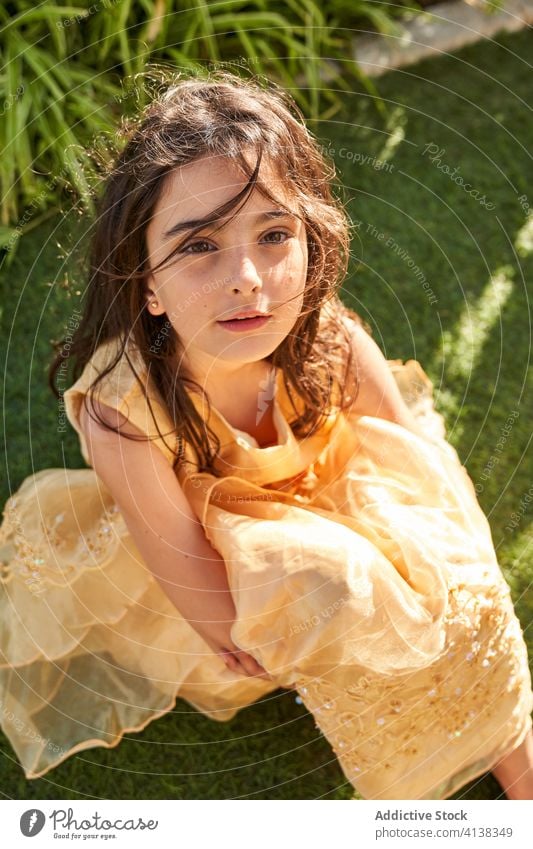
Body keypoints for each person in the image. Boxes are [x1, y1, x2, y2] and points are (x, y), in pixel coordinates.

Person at [0, 70, 531, 801]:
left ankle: (509, 737)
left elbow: (413, 463)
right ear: (145, 282)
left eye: (274, 234)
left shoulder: (326, 332)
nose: (247, 277)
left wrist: (438, 569)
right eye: (198, 247)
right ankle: (416, 758)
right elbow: (196, 578)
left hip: (329, 490)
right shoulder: (123, 410)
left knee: (453, 576)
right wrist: (274, 635)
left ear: (310, 241)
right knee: (324, 584)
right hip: (226, 557)